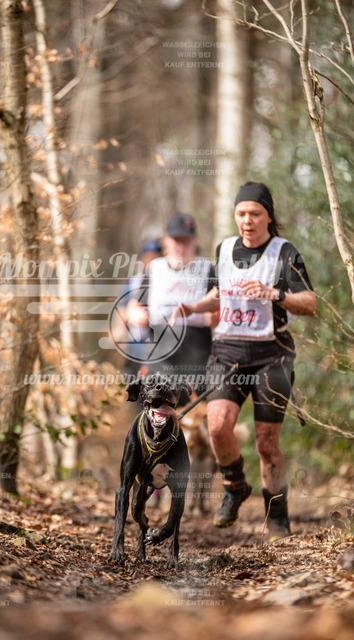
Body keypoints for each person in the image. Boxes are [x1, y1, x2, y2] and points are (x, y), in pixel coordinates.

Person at [169, 182, 316, 539]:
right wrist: (191, 307)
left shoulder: (284, 252)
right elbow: (219, 295)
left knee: (266, 442)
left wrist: (275, 293)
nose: (247, 220)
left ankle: (277, 518)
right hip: (229, 353)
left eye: (255, 214)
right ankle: (235, 486)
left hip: (272, 355)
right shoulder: (225, 249)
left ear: (269, 217)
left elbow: (310, 303)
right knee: (218, 426)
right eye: (241, 213)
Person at [127, 212, 215, 402]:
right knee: (159, 409)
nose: (180, 246)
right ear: (166, 240)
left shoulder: (206, 269)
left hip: (196, 358)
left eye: (186, 241)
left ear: (195, 240)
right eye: (176, 240)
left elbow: (221, 308)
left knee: (194, 416)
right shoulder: (155, 269)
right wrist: (137, 316)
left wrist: (214, 318)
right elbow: (132, 309)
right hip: (159, 355)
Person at [115, 239, 163, 377]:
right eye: (149, 258)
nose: (152, 262)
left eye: (155, 258)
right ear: (143, 259)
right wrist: (120, 329)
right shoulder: (133, 283)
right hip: (137, 342)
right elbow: (122, 310)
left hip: (160, 342)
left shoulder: (167, 281)